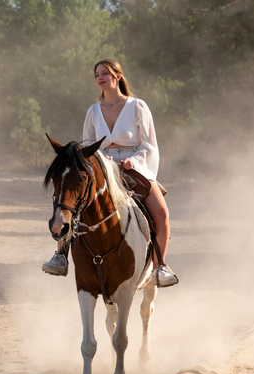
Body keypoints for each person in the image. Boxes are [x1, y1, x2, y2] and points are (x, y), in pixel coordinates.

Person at [42, 59, 178, 288]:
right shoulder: (93, 111)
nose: (100, 78)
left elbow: (149, 145)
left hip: (134, 166)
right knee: (72, 203)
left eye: (105, 73)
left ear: (118, 76)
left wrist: (132, 162)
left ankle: (160, 267)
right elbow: (87, 148)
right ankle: (61, 255)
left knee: (162, 215)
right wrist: (100, 162)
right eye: (97, 75)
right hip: (102, 166)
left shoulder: (137, 107)